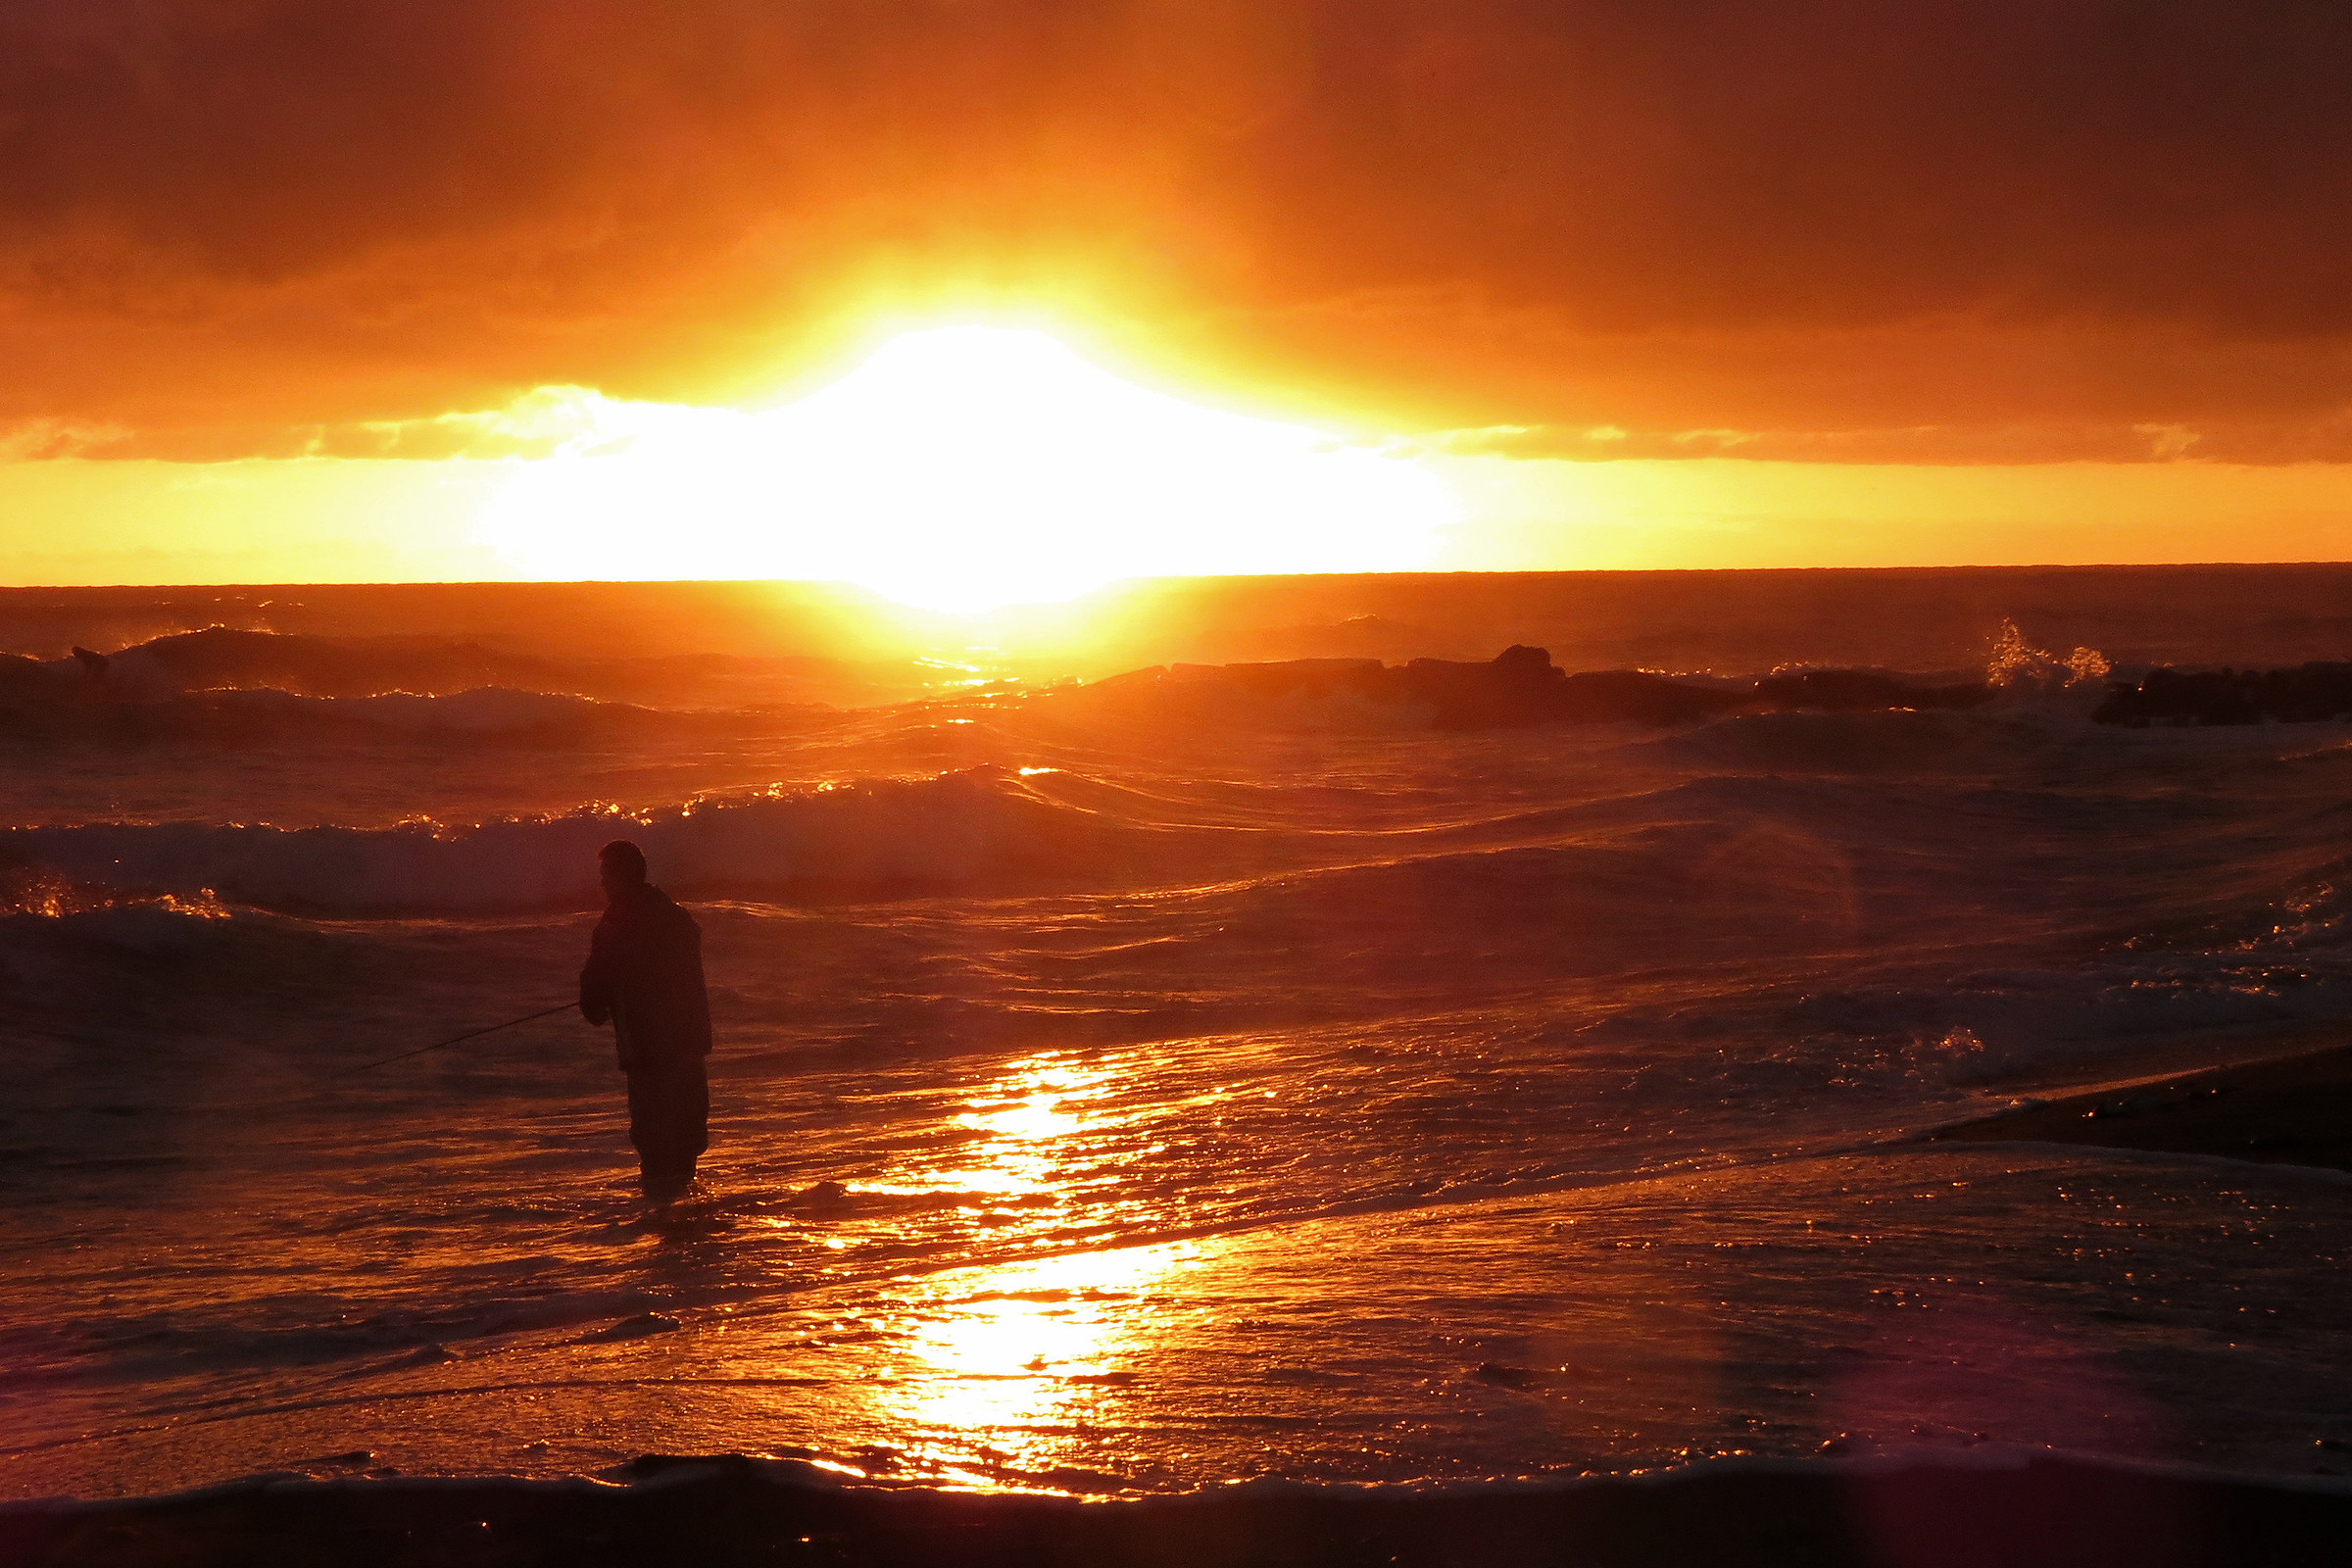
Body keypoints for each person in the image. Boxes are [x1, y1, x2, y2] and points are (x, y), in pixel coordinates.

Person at [579, 840, 711, 1202]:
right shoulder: (676, 916)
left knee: (655, 1142)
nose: (602, 884)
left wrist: (596, 1003)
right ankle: (686, 1215)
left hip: (649, 1051)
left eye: (606, 875)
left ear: (622, 877)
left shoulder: (616, 924)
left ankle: (664, 1217)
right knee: (686, 1136)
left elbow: (594, 993)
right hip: (688, 1045)